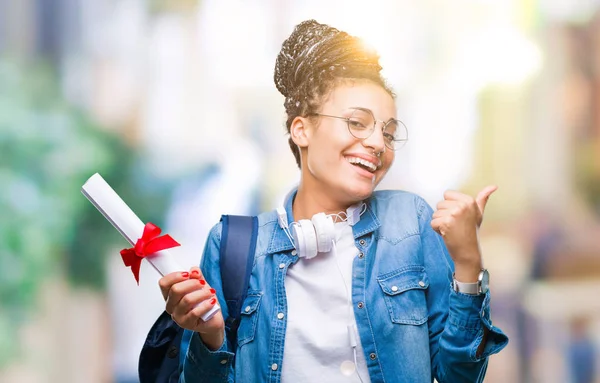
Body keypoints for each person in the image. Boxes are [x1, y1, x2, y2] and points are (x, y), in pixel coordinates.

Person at [158, 19, 508, 382]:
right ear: (302, 129)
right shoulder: (235, 246)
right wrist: (211, 338)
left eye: (388, 133)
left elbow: (460, 376)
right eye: (358, 122)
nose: (377, 144)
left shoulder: (411, 223)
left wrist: (468, 264)